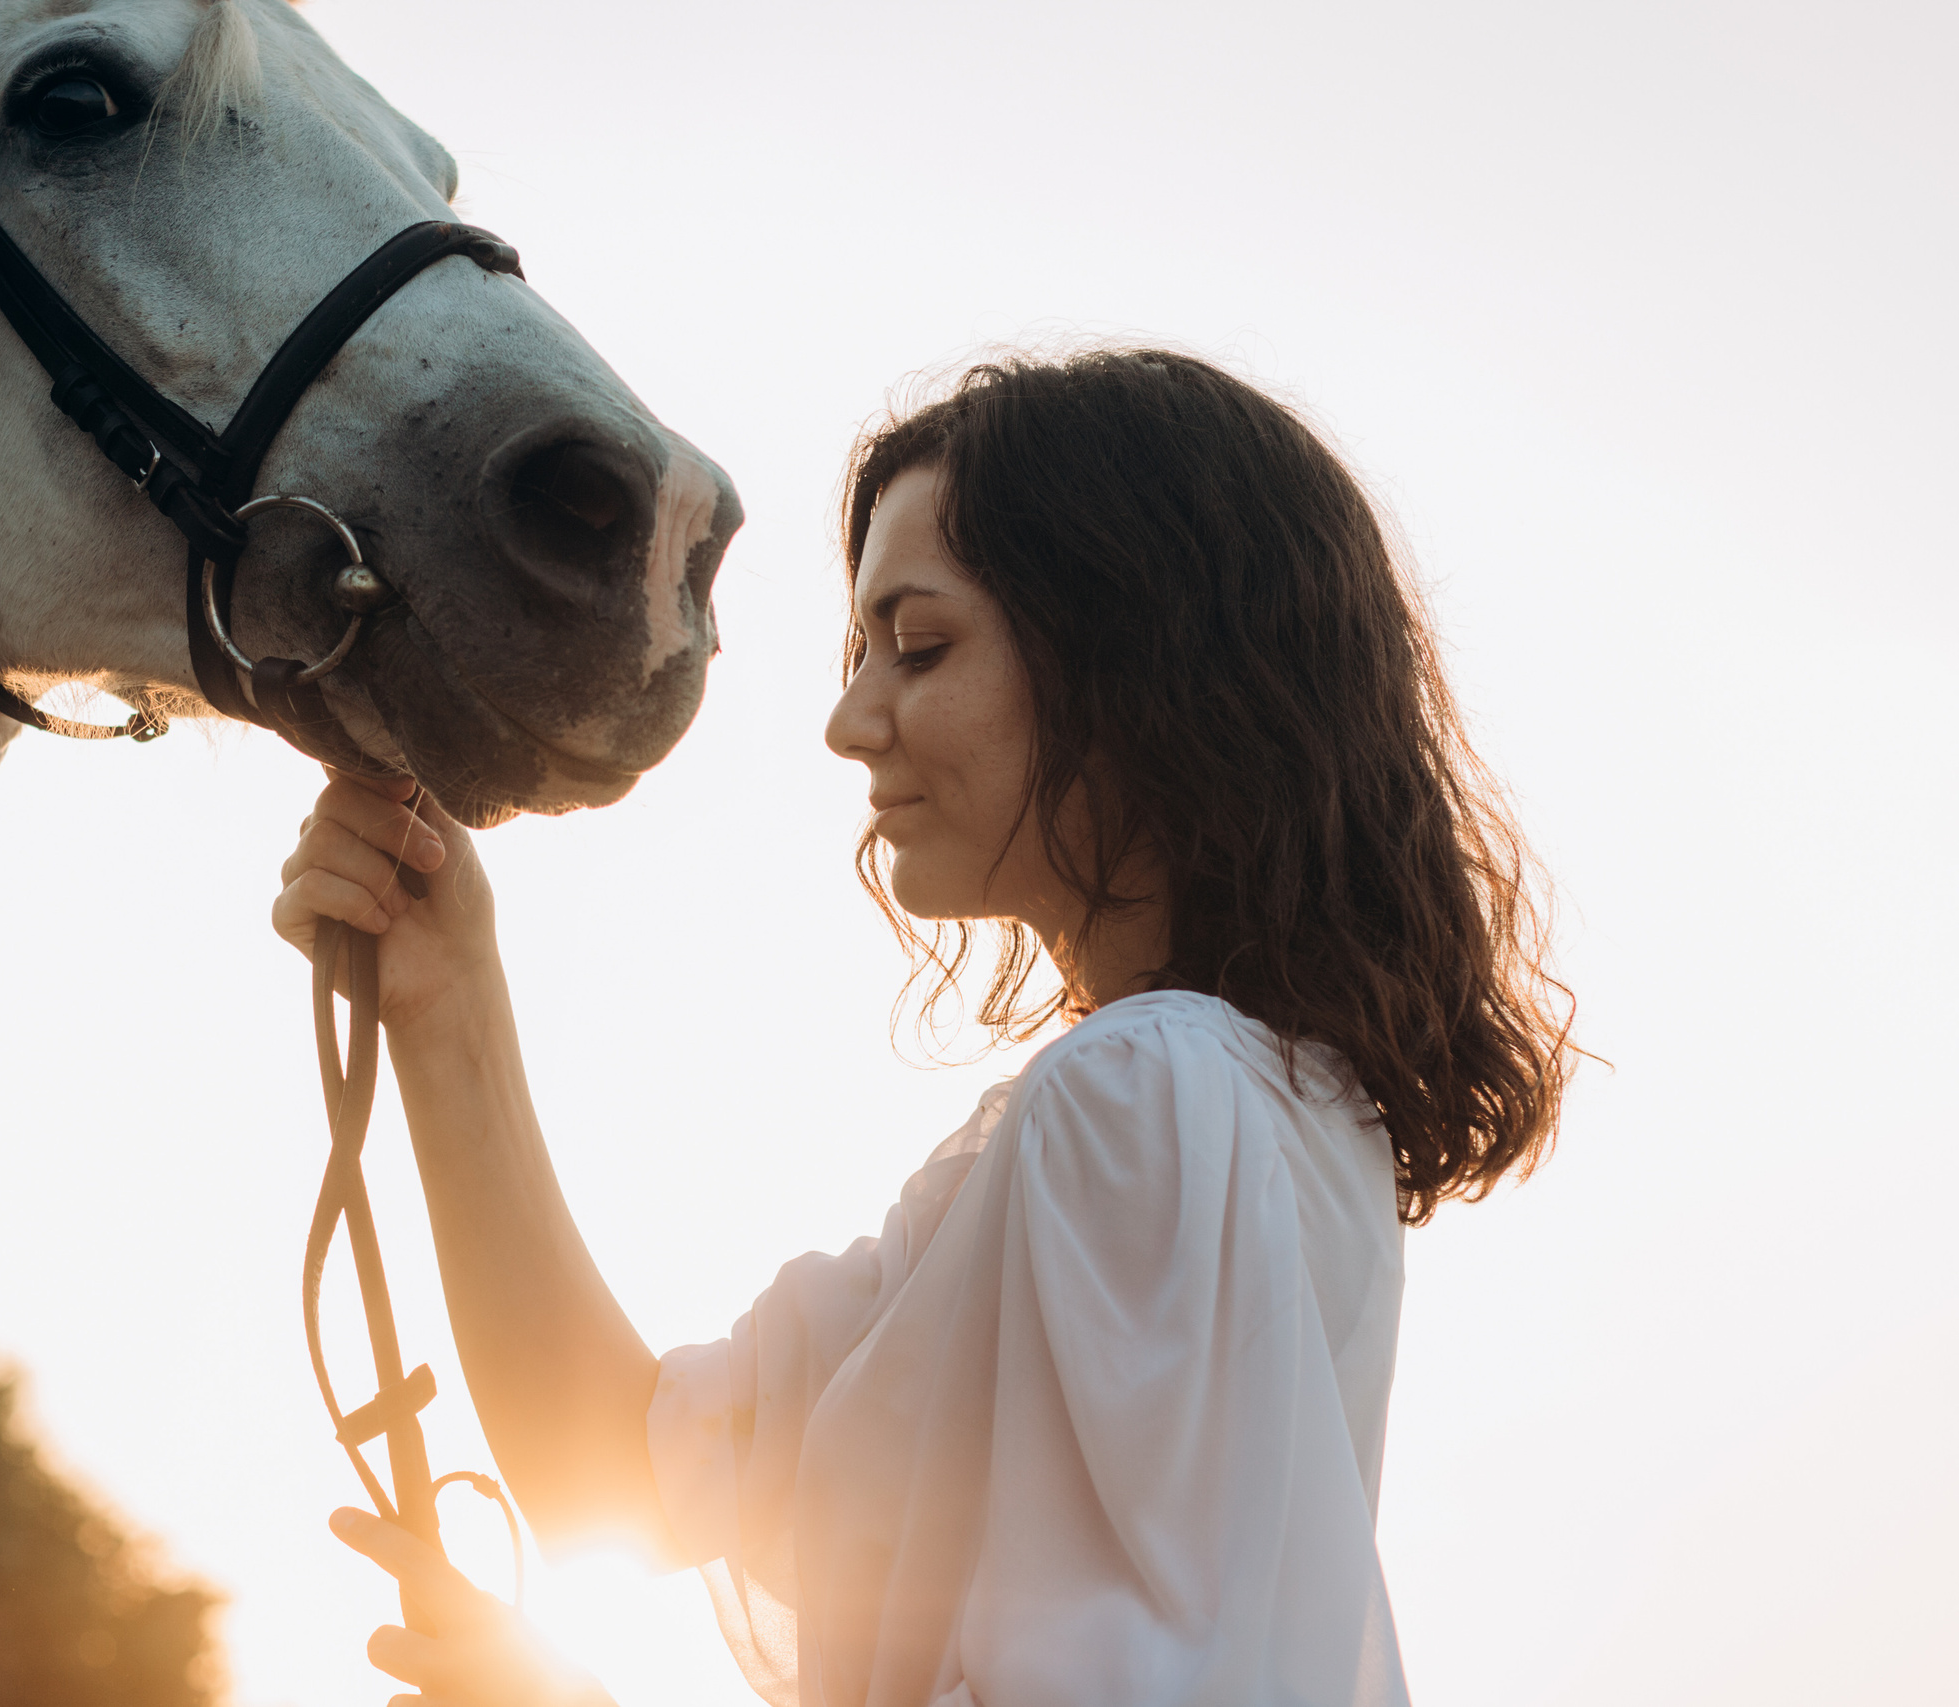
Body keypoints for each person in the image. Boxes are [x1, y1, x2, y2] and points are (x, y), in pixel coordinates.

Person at [271, 347, 1573, 1707]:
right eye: (862, 651)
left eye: (923, 646)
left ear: (1136, 661)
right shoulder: (1243, 1108)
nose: (848, 722)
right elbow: (623, 1468)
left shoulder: (1142, 1097)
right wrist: (447, 1000)